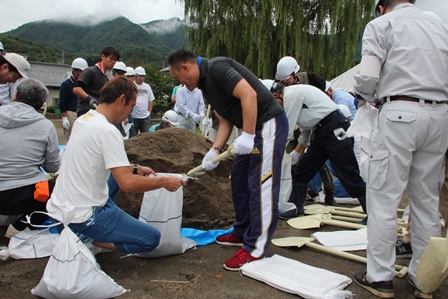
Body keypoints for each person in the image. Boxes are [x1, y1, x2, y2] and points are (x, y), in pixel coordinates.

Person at [352, 1, 448, 298]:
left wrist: (370, 98)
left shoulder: (381, 25)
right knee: (426, 200)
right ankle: (424, 278)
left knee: (383, 197)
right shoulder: (440, 26)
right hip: (440, 115)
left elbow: (367, 78)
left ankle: (379, 276)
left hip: (399, 112)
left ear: (381, 7)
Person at [168, 49, 287, 271]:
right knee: (239, 181)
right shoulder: (205, 86)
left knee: (261, 186)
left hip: (268, 125)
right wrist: (215, 150)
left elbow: (249, 95)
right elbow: (224, 121)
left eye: (178, 78)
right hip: (250, 131)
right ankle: (242, 231)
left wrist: (249, 135)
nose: (181, 84)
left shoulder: (217, 68)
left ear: (185, 67)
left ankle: (255, 247)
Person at [47, 76, 186, 254]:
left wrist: (135, 168)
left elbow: (95, 161)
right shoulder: (108, 131)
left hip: (58, 214)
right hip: (80, 219)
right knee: (150, 239)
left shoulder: (85, 119)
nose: (130, 113)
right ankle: (90, 240)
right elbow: (127, 184)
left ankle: (101, 223)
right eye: (131, 106)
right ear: (121, 99)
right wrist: (165, 182)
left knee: (114, 174)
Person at [271, 83, 366, 217]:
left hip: (335, 128)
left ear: (277, 95)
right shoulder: (296, 95)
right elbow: (306, 127)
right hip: (322, 131)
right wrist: (296, 152)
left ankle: (372, 214)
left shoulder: (290, 95)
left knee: (349, 173)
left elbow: (287, 128)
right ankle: (297, 209)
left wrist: (273, 151)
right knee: (303, 171)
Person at [275, 56, 337, 219]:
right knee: (294, 164)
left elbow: (306, 124)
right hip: (301, 124)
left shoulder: (309, 81)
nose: (285, 82)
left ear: (295, 74)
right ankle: (294, 202)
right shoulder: (285, 88)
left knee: (319, 163)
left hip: (320, 124)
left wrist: (299, 148)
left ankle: (329, 193)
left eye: (287, 79)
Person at [0, 78, 60, 238]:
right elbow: (53, 167)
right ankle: (19, 227)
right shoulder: (45, 126)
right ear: (42, 104)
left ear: (16, 95)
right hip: (23, 197)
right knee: (58, 188)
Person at [73, 46, 119, 117]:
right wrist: (89, 98)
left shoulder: (106, 78)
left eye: (115, 60)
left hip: (97, 111)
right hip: (85, 110)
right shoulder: (90, 71)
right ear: (103, 56)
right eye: (111, 58)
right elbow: (76, 89)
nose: (113, 62)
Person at [59, 57, 88, 142]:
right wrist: (64, 117)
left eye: (83, 72)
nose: (81, 73)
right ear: (74, 71)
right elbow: (62, 102)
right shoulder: (66, 84)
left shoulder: (84, 85)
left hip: (82, 113)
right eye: (80, 71)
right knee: (70, 138)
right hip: (70, 113)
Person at [131, 66, 155, 135]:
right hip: (134, 116)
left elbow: (150, 100)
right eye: (140, 76)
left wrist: (149, 112)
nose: (142, 78)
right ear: (135, 76)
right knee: (133, 136)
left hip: (145, 116)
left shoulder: (147, 86)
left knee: (146, 136)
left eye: (143, 76)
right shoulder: (132, 85)